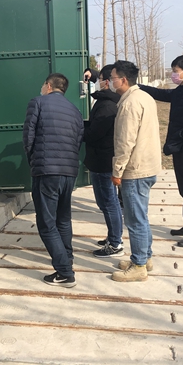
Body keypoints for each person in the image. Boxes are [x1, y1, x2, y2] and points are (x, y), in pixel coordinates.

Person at [138, 55, 183, 248]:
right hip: (181, 149)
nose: (173, 75)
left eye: (175, 71)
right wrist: (137, 86)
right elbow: (162, 94)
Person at [23, 73, 84, 287]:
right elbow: (78, 141)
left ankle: (65, 272)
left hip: (46, 170)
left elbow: (28, 137)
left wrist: (34, 161)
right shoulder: (74, 110)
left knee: (46, 223)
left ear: (48, 86)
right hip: (69, 171)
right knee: (63, 219)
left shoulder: (38, 103)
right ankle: (67, 258)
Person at [109, 60, 161, 282]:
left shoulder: (129, 103)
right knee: (141, 216)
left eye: (112, 78)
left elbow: (125, 141)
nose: (110, 81)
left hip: (135, 168)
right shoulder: (144, 97)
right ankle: (144, 257)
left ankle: (139, 266)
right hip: (148, 165)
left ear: (123, 80)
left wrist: (117, 170)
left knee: (135, 220)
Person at [83, 64, 124, 258]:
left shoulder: (107, 106)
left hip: (103, 161)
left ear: (107, 82)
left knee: (109, 202)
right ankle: (113, 236)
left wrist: (76, 129)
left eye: (99, 79)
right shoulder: (107, 100)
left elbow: (94, 133)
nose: (97, 82)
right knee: (106, 202)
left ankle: (115, 243)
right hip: (101, 159)